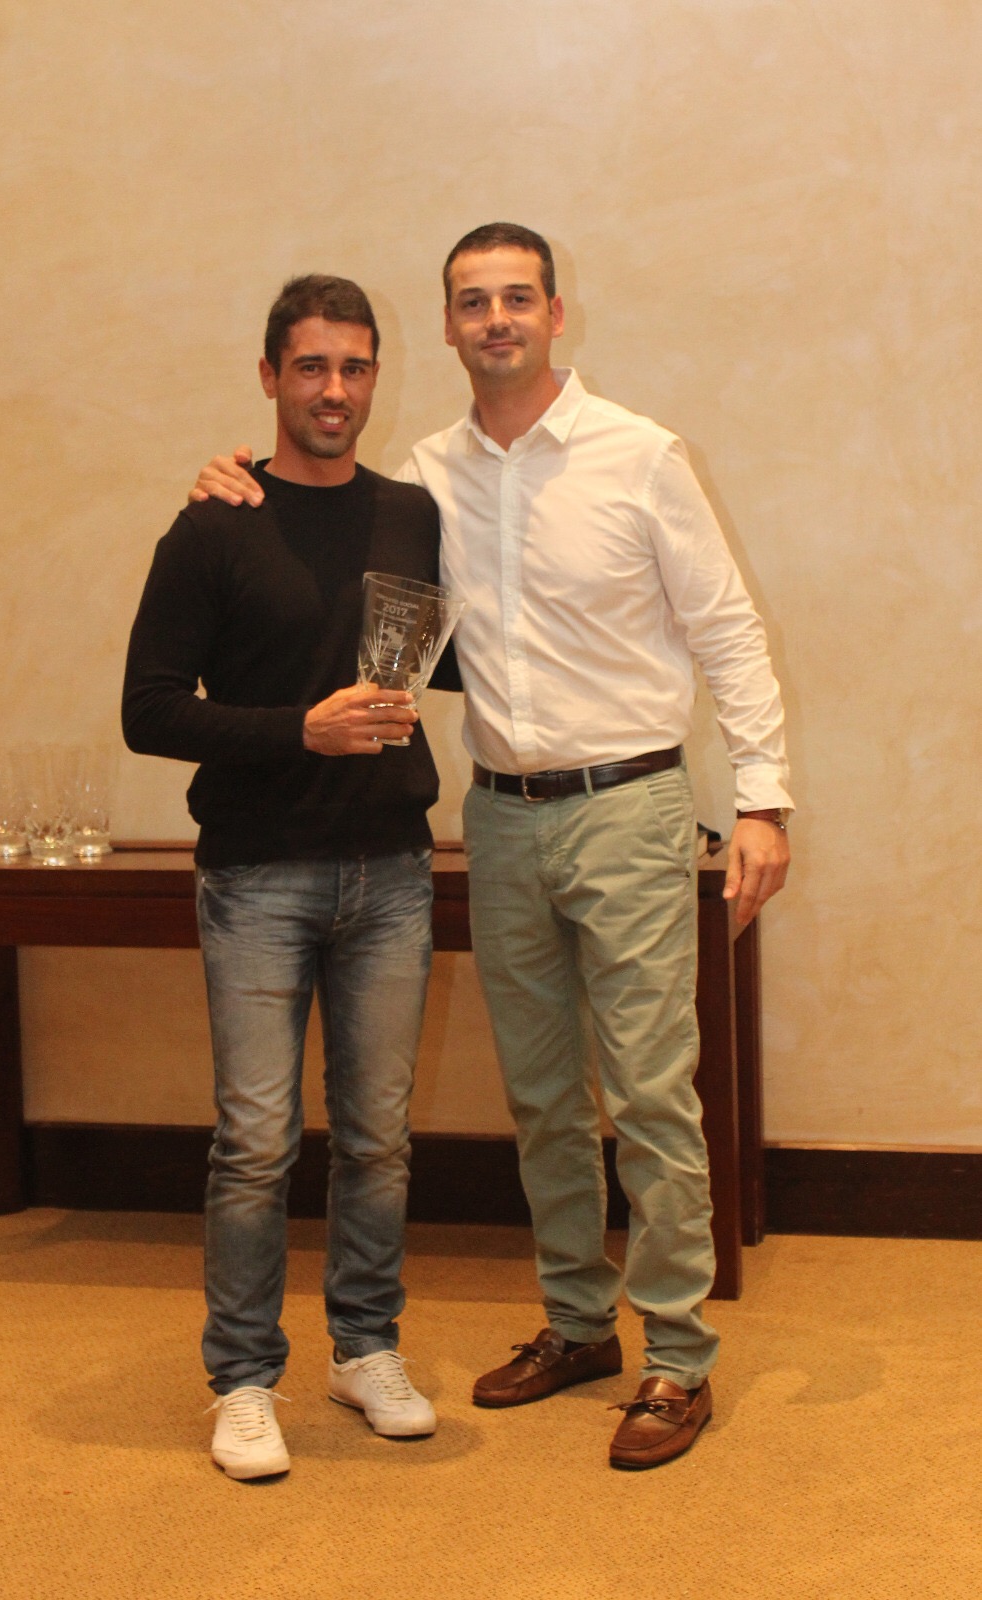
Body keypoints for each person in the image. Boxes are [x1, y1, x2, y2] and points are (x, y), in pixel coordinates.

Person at [188, 224, 792, 1470]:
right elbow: (322, 526)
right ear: (450, 325)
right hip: (500, 816)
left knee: (648, 1091)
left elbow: (726, 628)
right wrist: (229, 476)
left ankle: (677, 1356)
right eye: (474, 301)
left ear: (556, 314)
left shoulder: (640, 454)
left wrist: (763, 800)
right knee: (542, 1097)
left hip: (628, 804)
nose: (497, 319)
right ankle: (577, 1323)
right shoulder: (422, 481)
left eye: (518, 297)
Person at [123, 274, 461, 1480]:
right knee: (257, 1140)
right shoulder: (214, 524)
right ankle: (242, 1377)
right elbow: (148, 710)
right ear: (270, 376)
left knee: (378, 1137)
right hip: (256, 877)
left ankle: (365, 1348)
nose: (334, 389)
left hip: (391, 869)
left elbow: (443, 658)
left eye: (354, 367)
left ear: (375, 377)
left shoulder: (411, 513)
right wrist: (296, 731)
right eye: (312, 366)